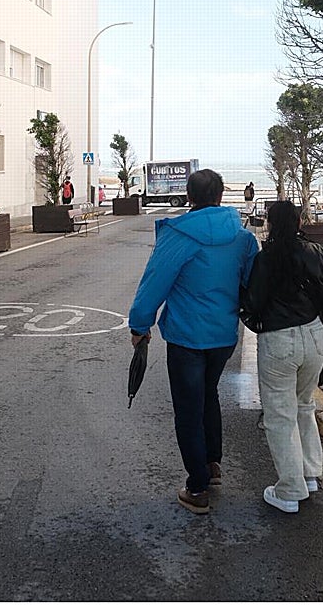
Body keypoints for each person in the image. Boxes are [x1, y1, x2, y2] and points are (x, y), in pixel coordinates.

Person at [128, 169, 259, 514]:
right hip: (224, 336)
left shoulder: (179, 235)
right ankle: (212, 465)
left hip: (187, 337)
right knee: (208, 395)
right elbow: (250, 281)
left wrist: (140, 324)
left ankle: (197, 487)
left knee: (188, 408)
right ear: (220, 196)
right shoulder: (242, 237)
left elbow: (155, 281)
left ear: (189, 196)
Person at [245, 200, 323, 514]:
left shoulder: (265, 258)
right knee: (304, 405)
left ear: (271, 225)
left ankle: (289, 490)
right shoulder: (319, 253)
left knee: (279, 416)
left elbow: (252, 302)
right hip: (314, 336)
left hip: (279, 341)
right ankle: (309, 474)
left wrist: (255, 323)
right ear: (299, 223)